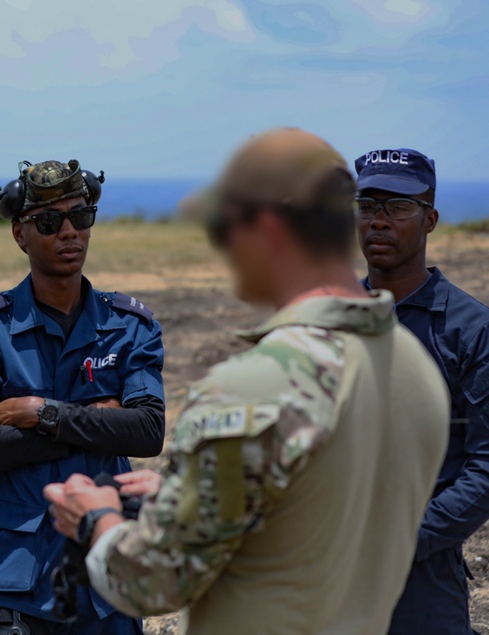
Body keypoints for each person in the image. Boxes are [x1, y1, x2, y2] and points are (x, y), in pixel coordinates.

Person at [45, 129, 452, 635]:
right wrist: (190, 493)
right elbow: (320, 515)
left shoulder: (257, 385)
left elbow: (151, 582)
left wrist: (96, 520)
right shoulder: (411, 364)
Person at [0, 160, 166, 634]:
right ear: (21, 234)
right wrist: (99, 425)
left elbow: (147, 430)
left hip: (106, 574)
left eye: (81, 217)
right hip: (12, 579)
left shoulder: (129, 327)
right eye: (49, 221)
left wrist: (43, 414)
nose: (69, 232)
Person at [354, 148, 489, 635]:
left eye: (398, 207)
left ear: (429, 219)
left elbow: (486, 465)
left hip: (421, 579)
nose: (379, 222)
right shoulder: (326, 319)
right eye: (368, 206)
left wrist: (402, 540)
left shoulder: (470, 330)